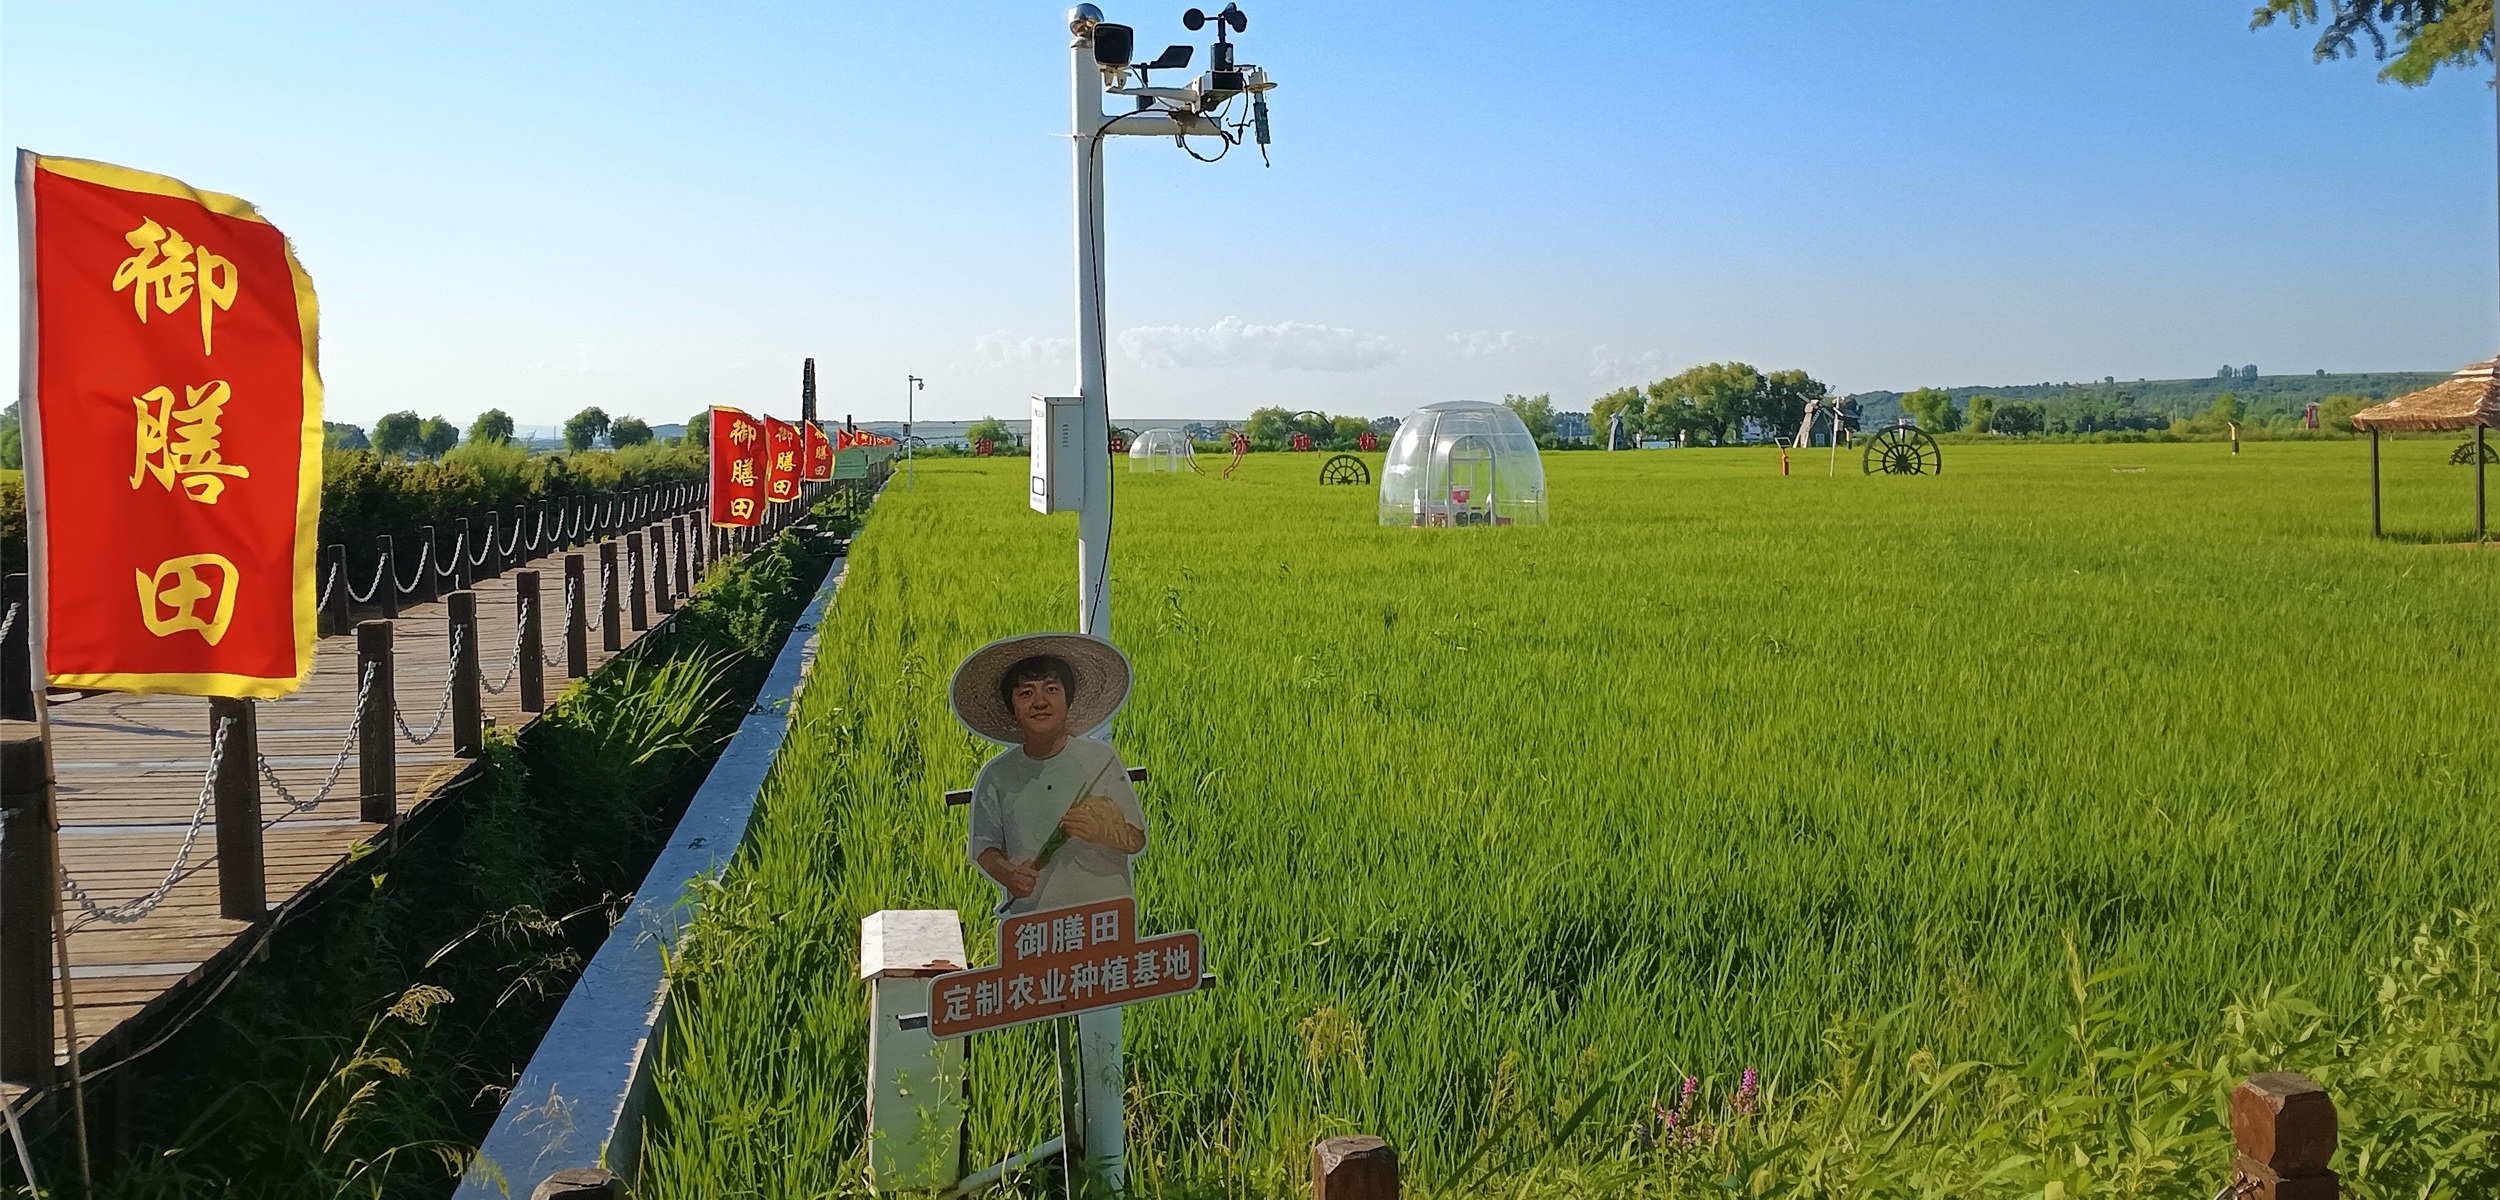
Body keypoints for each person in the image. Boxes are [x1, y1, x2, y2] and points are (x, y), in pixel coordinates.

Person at [949, 633, 1146, 916]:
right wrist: (1009, 874)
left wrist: (1101, 831)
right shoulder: (997, 776)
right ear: (1012, 708)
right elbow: (984, 848)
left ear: (1068, 700)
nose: (1040, 702)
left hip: (1105, 920)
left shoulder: (1099, 760)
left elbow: (1135, 839)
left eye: (1051, 689)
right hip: (1036, 925)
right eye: (1026, 693)